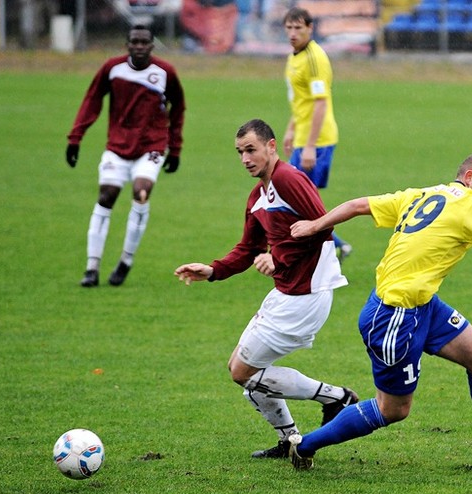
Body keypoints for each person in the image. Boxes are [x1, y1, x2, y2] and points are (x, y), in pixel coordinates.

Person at [287, 151, 472, 470]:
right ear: (469, 178)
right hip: (394, 316)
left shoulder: (423, 193)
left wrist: (316, 225)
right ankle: (304, 445)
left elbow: (358, 205)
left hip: (422, 305)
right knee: (393, 410)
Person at [174, 119, 358, 459]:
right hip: (285, 293)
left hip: (307, 295)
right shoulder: (258, 196)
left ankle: (336, 397)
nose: (245, 158)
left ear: (272, 147)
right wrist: (214, 270)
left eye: (251, 150)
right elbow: (247, 248)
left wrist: (278, 257)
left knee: (243, 372)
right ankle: (290, 440)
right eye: (240, 152)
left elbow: (322, 227)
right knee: (247, 375)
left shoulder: (289, 179)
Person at [66, 24, 185, 287]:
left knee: (141, 192)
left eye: (144, 42)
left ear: (152, 46)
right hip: (117, 146)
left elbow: (178, 108)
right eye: (135, 42)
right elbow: (91, 101)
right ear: (127, 45)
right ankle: (92, 267)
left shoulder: (165, 73)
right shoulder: (113, 69)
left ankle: (125, 261)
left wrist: (174, 148)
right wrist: (76, 137)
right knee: (106, 196)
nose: (139, 47)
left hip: (152, 146)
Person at [282, 7, 352, 261]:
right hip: (303, 136)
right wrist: (291, 129)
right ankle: (334, 246)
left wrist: (310, 146)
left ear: (310, 29)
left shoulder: (314, 58)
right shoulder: (294, 56)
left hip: (318, 140)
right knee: (297, 199)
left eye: (298, 28)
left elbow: (320, 103)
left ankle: (330, 248)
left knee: (297, 199)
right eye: (289, 28)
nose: (293, 33)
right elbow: (302, 99)